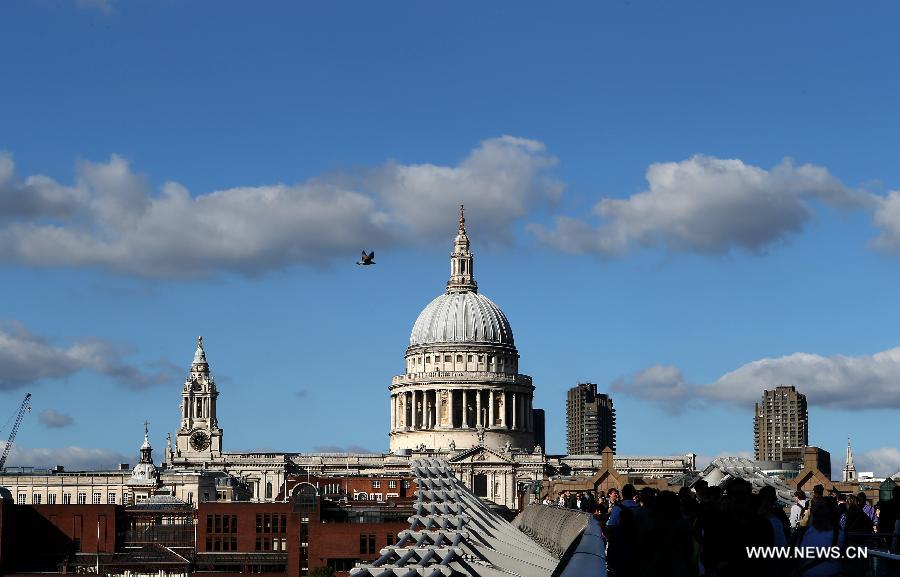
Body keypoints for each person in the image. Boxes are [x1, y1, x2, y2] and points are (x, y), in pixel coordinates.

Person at [792, 497, 844, 577]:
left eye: (822, 509)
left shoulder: (841, 535)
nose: (820, 512)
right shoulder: (802, 533)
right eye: (819, 509)